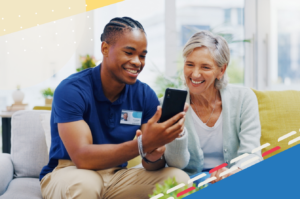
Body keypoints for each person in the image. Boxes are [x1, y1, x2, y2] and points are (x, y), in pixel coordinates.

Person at [39, 17, 189, 199]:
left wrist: (153, 155)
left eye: (142, 55)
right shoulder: (72, 89)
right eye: (129, 53)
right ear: (105, 49)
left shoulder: (144, 94)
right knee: (86, 183)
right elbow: (82, 157)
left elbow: (152, 164)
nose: (137, 62)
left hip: (117, 175)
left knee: (179, 180)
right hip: (70, 171)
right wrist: (143, 145)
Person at [163, 30, 263, 186]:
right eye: (189, 64)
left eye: (205, 67)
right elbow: (176, 164)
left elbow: (252, 154)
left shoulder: (244, 98)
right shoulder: (171, 104)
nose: (195, 74)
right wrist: (178, 134)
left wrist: (231, 172)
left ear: (221, 70)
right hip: (190, 182)